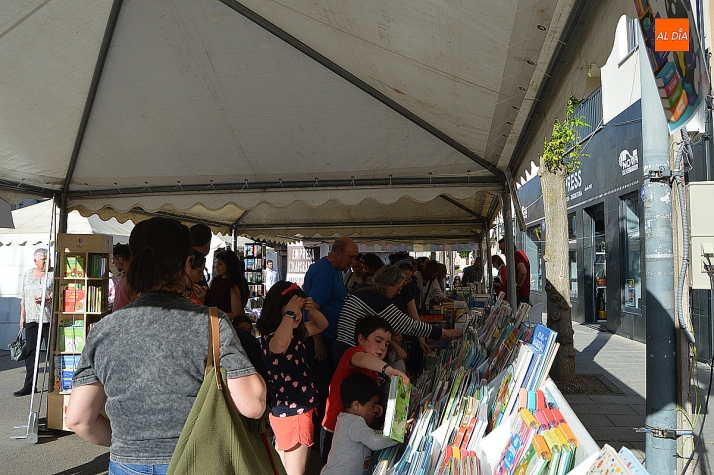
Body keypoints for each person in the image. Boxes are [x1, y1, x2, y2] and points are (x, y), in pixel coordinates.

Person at [65, 217, 266, 474]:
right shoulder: (210, 323)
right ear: (186, 263)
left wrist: (128, 444)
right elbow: (253, 405)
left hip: (127, 463)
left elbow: (78, 419)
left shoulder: (104, 329)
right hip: (196, 460)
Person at [257, 281, 328, 475]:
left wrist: (311, 311)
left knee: (284, 469)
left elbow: (322, 325)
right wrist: (291, 313)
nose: (297, 315)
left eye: (299, 311)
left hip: (289, 411)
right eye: (292, 311)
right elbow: (280, 344)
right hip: (295, 412)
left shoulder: (296, 333)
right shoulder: (274, 338)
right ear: (278, 309)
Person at [321, 316, 409, 463]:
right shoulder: (354, 353)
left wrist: (374, 407)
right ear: (361, 339)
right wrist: (388, 370)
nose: (383, 347)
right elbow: (362, 359)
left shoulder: (374, 370)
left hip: (358, 432)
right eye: (378, 340)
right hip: (335, 432)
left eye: (387, 344)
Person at [333, 265, 462, 363]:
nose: (399, 292)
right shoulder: (375, 298)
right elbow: (408, 325)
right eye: (398, 288)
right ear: (389, 284)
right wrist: (447, 333)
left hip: (344, 349)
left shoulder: (363, 289)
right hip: (351, 352)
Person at [320, 372, 397, 475]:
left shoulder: (346, 419)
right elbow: (374, 441)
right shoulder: (354, 422)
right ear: (356, 405)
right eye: (373, 406)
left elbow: (371, 434)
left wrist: (387, 432)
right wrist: (396, 436)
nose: (375, 410)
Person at [303, 236, 359, 367]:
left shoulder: (337, 270)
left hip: (332, 335)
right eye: (351, 257)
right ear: (338, 252)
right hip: (324, 338)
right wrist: (318, 343)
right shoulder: (323, 272)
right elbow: (311, 309)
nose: (353, 261)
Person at [14, 248, 53, 397]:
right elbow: (24, 296)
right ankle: (29, 385)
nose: (47, 262)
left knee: (51, 353)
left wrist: (48, 298)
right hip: (32, 319)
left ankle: (54, 383)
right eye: (44, 259)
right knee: (31, 353)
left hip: (48, 319)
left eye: (48, 259)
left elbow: (59, 292)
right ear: (35, 261)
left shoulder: (52, 274)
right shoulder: (28, 274)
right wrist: (22, 317)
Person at [207, 249, 248, 319]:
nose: (216, 267)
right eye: (216, 263)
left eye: (220, 264)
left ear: (229, 265)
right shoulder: (215, 281)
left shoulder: (233, 285)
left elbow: (236, 313)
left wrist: (216, 315)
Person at [499, 238, 531, 305]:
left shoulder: (516, 256)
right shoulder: (520, 254)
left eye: (503, 250)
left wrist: (518, 286)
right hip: (521, 294)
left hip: (519, 294)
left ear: (510, 248)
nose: (502, 253)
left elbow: (523, 271)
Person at [111, 243, 132, 312]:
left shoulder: (132, 278)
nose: (113, 263)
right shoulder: (123, 275)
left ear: (121, 260)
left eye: (114, 260)